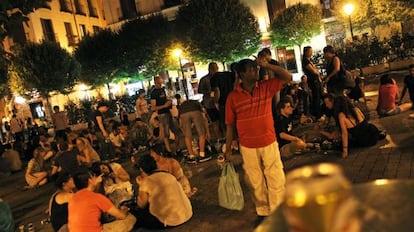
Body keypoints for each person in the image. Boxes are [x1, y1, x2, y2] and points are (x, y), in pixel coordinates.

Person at [225, 58, 292, 219]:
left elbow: (287, 77)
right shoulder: (233, 97)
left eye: (256, 68)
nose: (256, 71)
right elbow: (229, 125)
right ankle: (263, 211)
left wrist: (268, 65)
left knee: (276, 177)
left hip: (268, 141)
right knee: (255, 182)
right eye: (251, 69)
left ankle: (278, 211)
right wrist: (227, 150)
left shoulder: (265, 87)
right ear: (241, 74)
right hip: (247, 145)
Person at [133, 154, 192, 229]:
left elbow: (141, 205)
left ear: (142, 169)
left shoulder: (147, 182)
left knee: (137, 214)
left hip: (170, 222)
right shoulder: (168, 175)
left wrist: (140, 186)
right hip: (187, 214)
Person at [68, 170, 136, 232]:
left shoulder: (72, 198)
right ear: (90, 180)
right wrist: (125, 209)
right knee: (130, 218)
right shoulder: (96, 197)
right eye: (93, 177)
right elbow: (122, 216)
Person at [176, 93, 211, 163]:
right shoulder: (197, 103)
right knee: (201, 134)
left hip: (183, 114)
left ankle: (191, 156)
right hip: (196, 111)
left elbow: (180, 124)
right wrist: (207, 132)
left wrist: (185, 134)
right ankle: (202, 154)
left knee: (187, 136)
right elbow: (204, 118)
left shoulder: (181, 106)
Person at [150, 76, 180, 153]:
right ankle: (169, 150)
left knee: (176, 130)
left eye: (161, 82)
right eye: (159, 82)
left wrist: (170, 102)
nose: (160, 83)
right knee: (166, 133)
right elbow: (153, 107)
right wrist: (164, 106)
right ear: (156, 82)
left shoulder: (164, 90)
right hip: (162, 114)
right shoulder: (153, 93)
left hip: (168, 112)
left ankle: (177, 148)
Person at [198, 62, 222, 141]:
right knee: (215, 122)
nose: (216, 70)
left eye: (216, 68)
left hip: (219, 101)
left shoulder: (219, 77)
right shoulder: (205, 79)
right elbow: (200, 90)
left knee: (221, 121)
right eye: (214, 68)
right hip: (210, 103)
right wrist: (209, 91)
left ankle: (223, 138)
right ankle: (220, 139)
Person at [302, 46, 322, 118]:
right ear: (306, 52)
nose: (311, 53)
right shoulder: (305, 61)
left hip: (315, 80)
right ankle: (317, 114)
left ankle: (318, 112)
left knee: (318, 96)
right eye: (310, 51)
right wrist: (317, 72)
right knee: (316, 97)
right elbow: (313, 71)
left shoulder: (309, 60)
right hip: (313, 81)